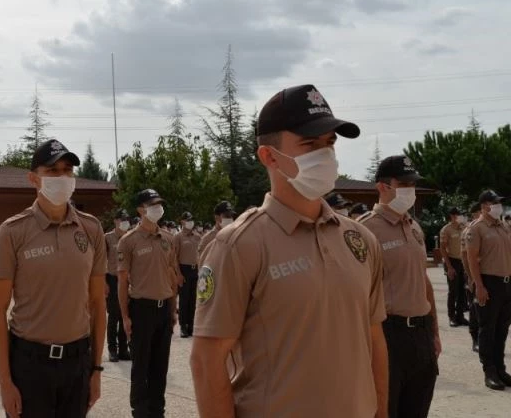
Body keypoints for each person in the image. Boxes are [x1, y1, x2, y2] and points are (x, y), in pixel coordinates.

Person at [191, 84, 388, 418]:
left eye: (329, 144)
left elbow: (374, 340)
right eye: (310, 144)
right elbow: (207, 361)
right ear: (269, 156)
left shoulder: (360, 240)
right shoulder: (239, 245)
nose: (325, 156)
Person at [0, 139, 106, 418]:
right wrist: (5, 383)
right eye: (52, 171)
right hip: (30, 365)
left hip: (77, 364)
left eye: (67, 170)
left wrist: (96, 370)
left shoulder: (91, 228)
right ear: (33, 179)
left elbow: (98, 303)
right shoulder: (12, 232)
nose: (61, 177)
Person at [359, 155, 439, 417]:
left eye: (413, 184)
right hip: (387, 335)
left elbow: (423, 280)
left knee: (417, 409)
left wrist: (434, 331)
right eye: (403, 183)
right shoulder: (364, 231)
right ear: (383, 187)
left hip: (421, 334)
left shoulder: (414, 226)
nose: (410, 190)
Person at [118, 188, 178, 418]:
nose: (157, 209)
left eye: (159, 204)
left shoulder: (168, 239)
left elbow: (172, 276)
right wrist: (125, 316)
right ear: (141, 210)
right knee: (140, 366)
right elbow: (122, 282)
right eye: (152, 205)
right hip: (142, 309)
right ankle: (141, 412)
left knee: (160, 366)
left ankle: (157, 410)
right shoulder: (129, 241)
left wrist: (173, 309)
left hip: (164, 309)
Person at [465, 190, 511, 390]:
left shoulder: (503, 226)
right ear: (484, 206)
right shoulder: (476, 229)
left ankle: (500, 369)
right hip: (489, 282)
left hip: (507, 283)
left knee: (502, 328)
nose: (498, 206)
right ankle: (489, 371)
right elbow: (472, 259)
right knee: (488, 329)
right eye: (495, 203)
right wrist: (479, 286)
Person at [104, 209, 131, 362]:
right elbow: (101, 261)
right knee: (114, 316)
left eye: (126, 219)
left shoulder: (130, 237)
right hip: (113, 279)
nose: (125, 222)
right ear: (115, 221)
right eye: (122, 219)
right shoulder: (108, 238)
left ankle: (123, 349)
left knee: (124, 315)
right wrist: (104, 282)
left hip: (128, 280)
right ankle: (112, 349)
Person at [440, 207, 468, 327]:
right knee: (453, 291)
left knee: (463, 290)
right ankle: (452, 317)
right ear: (452, 216)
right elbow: (442, 248)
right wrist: (449, 267)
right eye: (458, 215)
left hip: (463, 262)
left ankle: (460, 316)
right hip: (452, 261)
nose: (460, 217)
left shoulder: (464, 228)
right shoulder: (446, 229)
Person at [175, 211, 201, 338]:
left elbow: (200, 254)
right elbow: (174, 257)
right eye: (187, 220)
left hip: (195, 269)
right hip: (183, 269)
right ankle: (183, 326)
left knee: (193, 299)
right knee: (184, 299)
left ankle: (191, 324)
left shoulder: (197, 236)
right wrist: (178, 274)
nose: (190, 222)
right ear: (182, 222)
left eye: (191, 220)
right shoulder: (178, 237)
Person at [461, 202, 482, 352]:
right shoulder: (469, 230)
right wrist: (470, 277)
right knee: (475, 309)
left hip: (490, 275)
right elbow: (464, 256)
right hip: (475, 275)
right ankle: (475, 339)